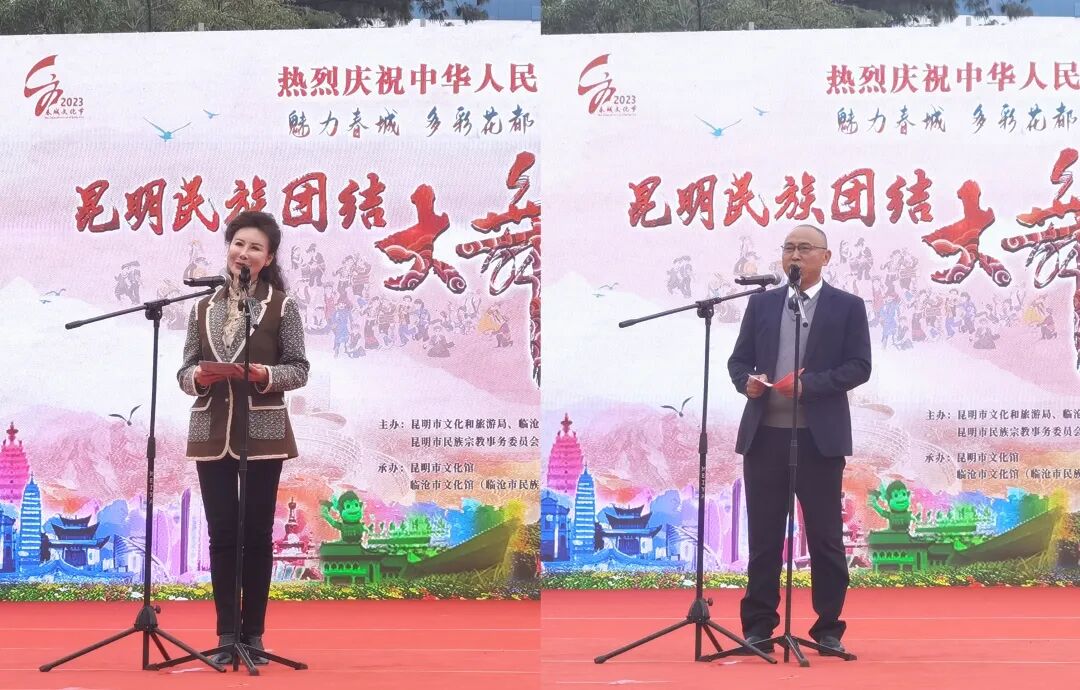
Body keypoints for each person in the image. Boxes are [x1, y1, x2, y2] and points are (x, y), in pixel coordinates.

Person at [727, 224, 871, 655]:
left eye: (805, 248)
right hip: (764, 439)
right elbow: (739, 361)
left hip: (819, 441)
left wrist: (811, 387)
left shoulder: (847, 306)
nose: (795, 255)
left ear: (825, 257)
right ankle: (758, 627)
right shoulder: (762, 304)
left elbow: (859, 366)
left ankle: (828, 629)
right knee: (765, 538)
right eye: (789, 247)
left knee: (825, 538)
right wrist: (747, 383)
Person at [177, 211, 310, 664]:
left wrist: (264, 374)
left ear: (268, 258)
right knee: (221, 534)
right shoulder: (202, 307)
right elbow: (184, 370)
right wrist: (196, 378)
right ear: (228, 248)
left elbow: (299, 369)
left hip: (263, 433)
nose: (244, 253)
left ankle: (252, 635)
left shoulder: (282, 305)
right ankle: (225, 635)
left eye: (255, 247)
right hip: (211, 431)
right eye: (238, 244)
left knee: (256, 534)